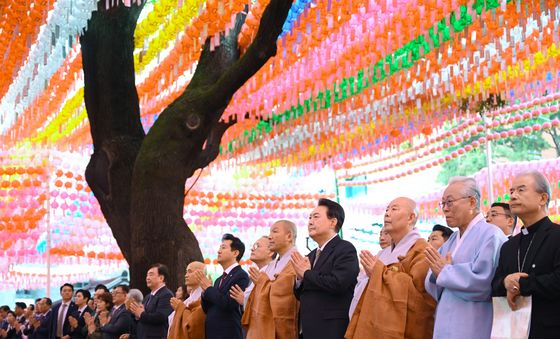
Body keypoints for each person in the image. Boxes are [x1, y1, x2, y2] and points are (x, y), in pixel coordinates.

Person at [424, 177, 507, 339]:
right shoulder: (452, 241)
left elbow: (485, 282)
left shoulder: (491, 235)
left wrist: (446, 272)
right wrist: (437, 274)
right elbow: (433, 280)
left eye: (450, 202)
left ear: (471, 202)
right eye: (443, 204)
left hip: (473, 323)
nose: (445, 209)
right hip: (445, 322)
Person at [346, 197, 436, 339]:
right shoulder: (382, 254)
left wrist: (380, 273)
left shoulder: (422, 250)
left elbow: (420, 299)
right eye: (387, 209)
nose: (387, 213)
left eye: (394, 209)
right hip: (375, 326)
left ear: (411, 217)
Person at [491, 171, 560, 338]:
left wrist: (522, 284)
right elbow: (494, 285)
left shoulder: (557, 236)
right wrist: (506, 282)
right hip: (512, 331)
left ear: (542, 198)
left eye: (521, 190)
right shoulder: (509, 246)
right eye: (511, 191)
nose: (513, 196)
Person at [291, 198, 359, 339]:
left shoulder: (345, 248)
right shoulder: (310, 255)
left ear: (332, 222)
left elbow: (338, 283)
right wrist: (299, 280)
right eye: (309, 218)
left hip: (331, 328)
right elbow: (301, 294)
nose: (310, 222)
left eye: (316, 217)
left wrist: (306, 274)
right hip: (308, 328)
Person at [234, 220, 299, 339]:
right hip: (261, 326)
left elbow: (284, 294)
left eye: (275, 231)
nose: (270, 237)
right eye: (270, 232)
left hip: (280, 328)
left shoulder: (295, 260)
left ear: (289, 236)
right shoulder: (275, 264)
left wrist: (262, 282)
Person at [198, 233, 250, 339]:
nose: (218, 251)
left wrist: (209, 289)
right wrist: (204, 293)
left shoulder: (240, 275)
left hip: (228, 334)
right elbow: (208, 308)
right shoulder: (218, 280)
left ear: (235, 253)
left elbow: (228, 303)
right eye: (219, 248)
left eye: (223, 247)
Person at [129, 264, 174, 339]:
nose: (147, 278)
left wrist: (141, 314)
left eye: (151, 275)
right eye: (147, 275)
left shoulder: (166, 295)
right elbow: (143, 317)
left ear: (161, 278)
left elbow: (161, 317)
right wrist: (137, 314)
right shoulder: (148, 296)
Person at [232, 235, 275, 309]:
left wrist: (245, 301)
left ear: (270, 252)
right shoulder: (257, 274)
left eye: (257, 246)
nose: (252, 249)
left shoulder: (274, 274)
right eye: (253, 246)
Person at [168, 261, 206, 339]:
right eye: (186, 272)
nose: (186, 275)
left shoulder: (204, 297)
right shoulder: (189, 299)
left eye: (190, 272)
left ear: (201, 274)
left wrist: (180, 308)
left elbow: (195, 324)